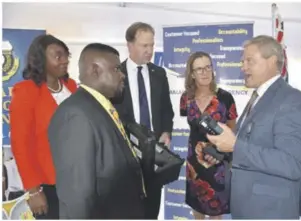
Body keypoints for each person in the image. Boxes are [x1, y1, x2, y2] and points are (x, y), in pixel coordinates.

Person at [206, 35, 301, 219]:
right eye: (242, 61)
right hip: (246, 208)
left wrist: (235, 146)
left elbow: (292, 164)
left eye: (250, 61)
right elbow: (252, 145)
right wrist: (222, 153)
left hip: (270, 211)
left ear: (272, 61)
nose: (243, 67)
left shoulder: (293, 100)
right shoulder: (258, 98)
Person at [47, 43, 146, 219]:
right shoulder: (75, 115)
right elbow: (77, 196)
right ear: (95, 70)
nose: (122, 75)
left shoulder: (101, 107)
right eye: (116, 69)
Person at [9, 34, 77, 219]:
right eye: (58, 56)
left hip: (78, 180)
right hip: (47, 185)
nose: (65, 61)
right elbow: (20, 144)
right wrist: (33, 191)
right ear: (40, 59)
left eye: (66, 55)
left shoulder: (72, 86)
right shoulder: (26, 91)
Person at [113, 22, 174, 219]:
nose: (150, 51)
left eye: (152, 45)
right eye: (144, 46)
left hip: (154, 153)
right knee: (128, 208)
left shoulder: (159, 73)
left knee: (151, 209)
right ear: (129, 45)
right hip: (126, 153)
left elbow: (166, 110)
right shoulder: (115, 74)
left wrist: (166, 131)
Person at [179, 51, 238, 219]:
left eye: (207, 67)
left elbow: (232, 130)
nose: (204, 72)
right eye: (199, 69)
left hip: (217, 162)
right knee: (197, 208)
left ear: (213, 69)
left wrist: (221, 152)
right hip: (193, 164)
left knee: (215, 211)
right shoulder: (186, 99)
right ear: (192, 73)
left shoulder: (225, 98)